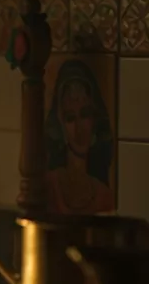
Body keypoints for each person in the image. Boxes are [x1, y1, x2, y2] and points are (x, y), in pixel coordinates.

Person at [44, 59, 115, 215]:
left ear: (94, 119)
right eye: (70, 118)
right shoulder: (48, 186)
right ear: (60, 124)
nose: (78, 128)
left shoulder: (105, 196)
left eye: (85, 115)